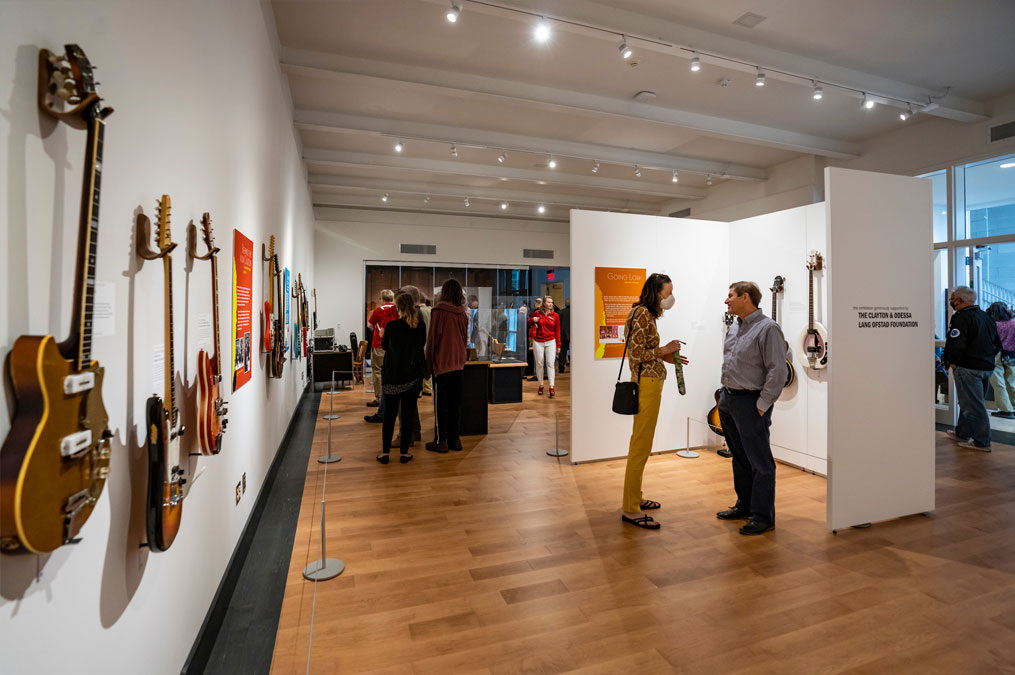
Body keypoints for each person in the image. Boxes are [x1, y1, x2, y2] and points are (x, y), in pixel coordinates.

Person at [716, 281, 787, 536]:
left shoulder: (768, 329)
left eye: (731, 296)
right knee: (740, 457)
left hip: (750, 403)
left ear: (746, 297)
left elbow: (777, 371)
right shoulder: (735, 326)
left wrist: (761, 405)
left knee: (760, 462)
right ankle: (744, 505)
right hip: (729, 400)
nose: (727, 301)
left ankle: (763, 516)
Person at [621, 273, 686, 530]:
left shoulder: (645, 315)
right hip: (645, 384)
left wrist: (664, 357)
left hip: (651, 381)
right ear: (655, 292)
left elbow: (644, 353)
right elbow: (635, 354)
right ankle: (630, 508)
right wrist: (664, 350)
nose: (669, 298)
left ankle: (635, 497)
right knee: (640, 444)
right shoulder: (641, 315)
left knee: (643, 443)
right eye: (667, 293)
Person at [944, 286, 1001, 451]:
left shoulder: (960, 318)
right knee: (970, 402)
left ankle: (982, 441)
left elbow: (956, 343)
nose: (952, 302)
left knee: (973, 406)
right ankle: (962, 433)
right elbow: (997, 343)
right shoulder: (986, 316)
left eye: (953, 299)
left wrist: (952, 361)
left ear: (960, 301)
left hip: (968, 368)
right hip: (986, 367)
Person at [376, 291, 426, 464]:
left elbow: (384, 347)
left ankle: (385, 453)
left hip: (392, 375)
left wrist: (383, 335)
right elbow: (420, 347)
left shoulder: (391, 326)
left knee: (390, 415)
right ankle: (404, 452)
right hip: (412, 377)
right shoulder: (419, 326)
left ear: (397, 308)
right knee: (407, 415)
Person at [425, 279, 470, 453]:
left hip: (442, 364)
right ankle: (455, 440)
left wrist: (428, 366)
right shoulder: (462, 313)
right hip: (458, 364)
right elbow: (464, 338)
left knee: (441, 405)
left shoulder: (438, 311)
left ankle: (441, 440)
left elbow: (432, 341)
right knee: (455, 404)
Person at [364, 289, 397, 423]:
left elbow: (370, 324)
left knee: (377, 371)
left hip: (379, 344)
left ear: (382, 299)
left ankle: (379, 397)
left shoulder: (379, 310)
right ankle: (389, 396)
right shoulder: (397, 309)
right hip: (393, 346)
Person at [527, 296, 561, 398]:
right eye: (548, 302)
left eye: (552, 302)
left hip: (551, 341)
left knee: (550, 363)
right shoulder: (537, 313)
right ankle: (541, 384)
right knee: (539, 363)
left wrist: (558, 345)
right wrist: (533, 319)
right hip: (538, 342)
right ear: (544, 304)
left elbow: (557, 331)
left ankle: (551, 386)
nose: (551, 304)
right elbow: (528, 321)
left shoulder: (555, 315)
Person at [987, 301, 1015, 419]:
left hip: (996, 353)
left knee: (998, 382)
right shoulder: (1013, 322)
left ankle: (1006, 409)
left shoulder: (994, 324)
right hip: (1011, 354)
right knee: (1012, 381)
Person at [557, 298, 570, 373]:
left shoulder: (560, 312)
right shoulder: (576, 312)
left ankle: (561, 368)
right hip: (574, 335)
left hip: (563, 334)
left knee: (562, 352)